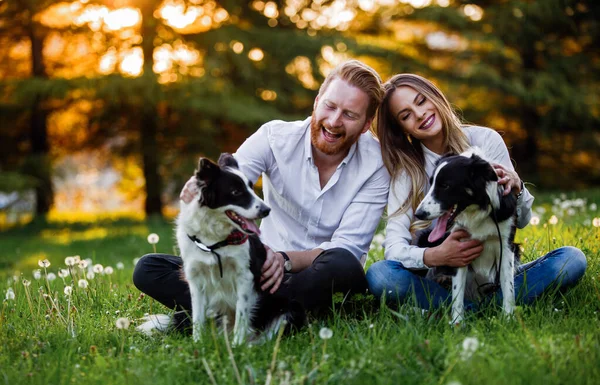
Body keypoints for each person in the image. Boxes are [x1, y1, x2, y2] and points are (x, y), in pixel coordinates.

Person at [133, 60, 390, 326]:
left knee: (343, 264)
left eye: (350, 114)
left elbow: (347, 246)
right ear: (316, 102)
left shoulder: (376, 164)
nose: (334, 121)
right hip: (260, 271)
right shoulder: (274, 137)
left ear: (365, 124)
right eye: (330, 106)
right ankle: (273, 316)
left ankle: (232, 316)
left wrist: (284, 260)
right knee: (148, 268)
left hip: (319, 275)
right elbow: (229, 181)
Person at [366, 73, 587, 312]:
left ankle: (471, 309)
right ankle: (480, 308)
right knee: (380, 275)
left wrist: (517, 188)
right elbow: (393, 250)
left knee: (572, 259)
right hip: (443, 279)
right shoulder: (406, 171)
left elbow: (521, 220)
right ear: (401, 128)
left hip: (498, 271)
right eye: (406, 115)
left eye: (421, 101)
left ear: (435, 96)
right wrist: (436, 255)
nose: (419, 114)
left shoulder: (485, 140)